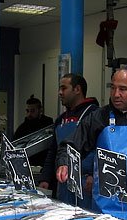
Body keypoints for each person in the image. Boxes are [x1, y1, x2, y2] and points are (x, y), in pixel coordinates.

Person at [55, 67, 127, 220]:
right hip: (104, 205)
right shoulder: (99, 117)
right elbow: (71, 143)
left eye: (122, 89)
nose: (116, 94)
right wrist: (64, 162)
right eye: (113, 88)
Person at [39, 74, 98, 208]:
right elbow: (54, 150)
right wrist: (45, 178)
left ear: (77, 89)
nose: (60, 93)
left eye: (64, 88)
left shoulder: (94, 114)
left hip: (86, 183)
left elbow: (102, 148)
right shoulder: (61, 119)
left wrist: (95, 176)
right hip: (63, 182)